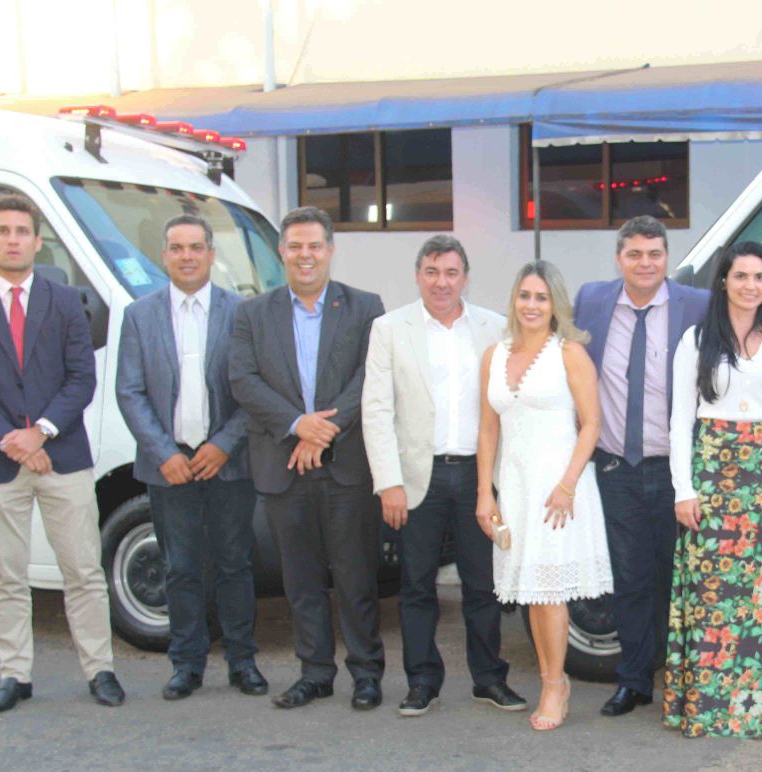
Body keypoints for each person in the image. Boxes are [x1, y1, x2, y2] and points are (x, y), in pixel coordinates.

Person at [228, 206, 386, 711]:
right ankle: (315, 673)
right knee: (300, 581)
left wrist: (324, 430)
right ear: (281, 251)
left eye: (314, 245)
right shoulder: (252, 314)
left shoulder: (365, 307)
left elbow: (372, 376)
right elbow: (242, 380)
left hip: (346, 466)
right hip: (283, 463)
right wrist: (298, 425)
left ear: (330, 249)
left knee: (356, 577)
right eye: (295, 246)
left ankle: (366, 673)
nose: (305, 255)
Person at [362, 235, 526, 717]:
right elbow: (376, 410)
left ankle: (489, 678)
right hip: (418, 477)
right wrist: (388, 481)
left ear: (465, 278)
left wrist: (506, 482)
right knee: (416, 586)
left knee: (482, 585)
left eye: (451, 273)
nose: (441, 282)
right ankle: (421, 682)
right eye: (432, 272)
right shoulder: (389, 330)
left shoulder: (495, 328)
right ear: (418, 276)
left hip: (479, 476)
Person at [664, 241, 762, 739]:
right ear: (724, 281)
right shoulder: (696, 340)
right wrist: (683, 489)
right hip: (713, 481)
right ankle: (708, 709)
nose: (751, 285)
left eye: (760, 277)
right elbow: (680, 421)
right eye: (741, 276)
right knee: (714, 597)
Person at [0, 194, 124, 713]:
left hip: (62, 458)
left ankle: (100, 670)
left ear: (38, 241)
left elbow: (82, 378)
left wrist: (39, 433)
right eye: (3, 231)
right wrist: (12, 440)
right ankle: (14, 675)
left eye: (22, 231)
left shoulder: (65, 301)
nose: (13, 240)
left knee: (83, 571)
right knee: (4, 575)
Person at [115, 214, 266, 701]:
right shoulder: (139, 315)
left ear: (211, 254)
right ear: (164, 256)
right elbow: (130, 392)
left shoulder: (241, 313)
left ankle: (242, 661)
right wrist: (164, 453)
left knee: (234, 564)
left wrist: (224, 444)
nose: (187, 256)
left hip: (228, 460)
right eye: (177, 248)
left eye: (196, 247)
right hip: (169, 466)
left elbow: (254, 389)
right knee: (180, 567)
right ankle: (186, 664)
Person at [572, 215, 709, 716]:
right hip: (616, 467)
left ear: (667, 257)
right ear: (619, 259)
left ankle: (681, 680)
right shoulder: (591, 300)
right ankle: (633, 681)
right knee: (629, 580)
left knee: (679, 581)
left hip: (677, 471)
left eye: (654, 254)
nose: (645, 263)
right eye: (634, 254)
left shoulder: (698, 305)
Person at [476, 260, 612, 731]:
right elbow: (488, 429)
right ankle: (552, 679)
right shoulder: (494, 356)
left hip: (559, 490)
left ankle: (554, 686)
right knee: (532, 593)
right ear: (514, 299)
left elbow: (592, 424)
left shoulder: (569, 353)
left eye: (541, 297)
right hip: (514, 489)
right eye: (524, 295)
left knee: (549, 592)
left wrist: (567, 484)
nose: (531, 305)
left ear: (556, 304)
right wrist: (485, 494)